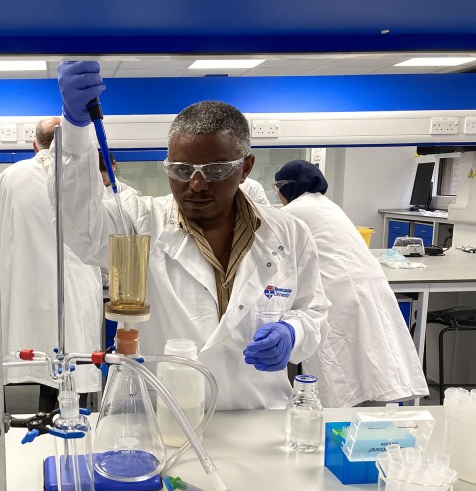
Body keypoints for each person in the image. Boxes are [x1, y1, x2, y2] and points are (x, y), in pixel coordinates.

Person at [53, 61, 330, 410]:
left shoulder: (289, 234)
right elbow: (78, 219)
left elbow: (313, 311)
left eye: (215, 170)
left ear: (245, 168)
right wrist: (75, 129)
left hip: (259, 418)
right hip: (165, 418)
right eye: (182, 170)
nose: (196, 185)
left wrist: (293, 333)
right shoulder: (139, 222)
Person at [275, 160, 428, 407]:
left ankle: (343, 423)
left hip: (339, 290)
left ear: (286, 187)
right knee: (369, 358)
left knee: (342, 363)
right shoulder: (329, 205)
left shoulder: (293, 212)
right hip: (367, 283)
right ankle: (366, 416)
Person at [0, 117, 102, 412]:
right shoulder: (84, 176)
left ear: (34, 144)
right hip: (77, 297)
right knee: (73, 380)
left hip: (26, 293)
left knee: (34, 366)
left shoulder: (10, 176)